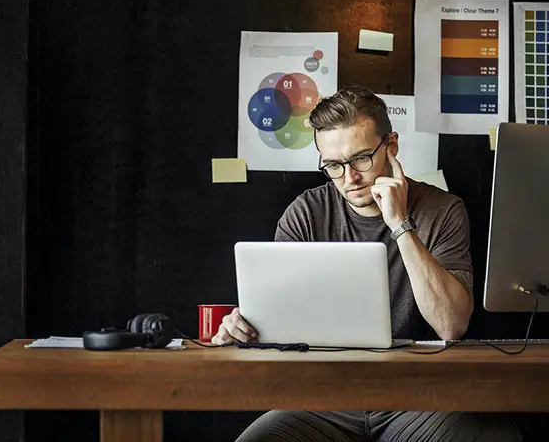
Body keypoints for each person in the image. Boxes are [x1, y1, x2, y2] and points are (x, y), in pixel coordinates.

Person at [213, 86, 521, 441]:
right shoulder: (306, 213)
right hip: (321, 401)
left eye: (361, 159)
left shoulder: (443, 210)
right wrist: (245, 327)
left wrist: (400, 224)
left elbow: (451, 325)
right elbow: (278, 323)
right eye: (333, 165)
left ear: (391, 146)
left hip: (419, 401)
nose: (349, 178)